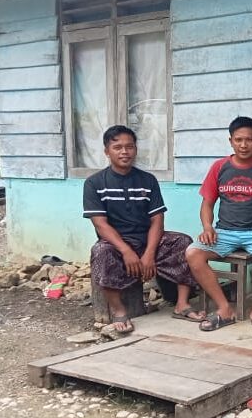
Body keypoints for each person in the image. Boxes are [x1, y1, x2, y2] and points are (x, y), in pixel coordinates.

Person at [83, 125, 201, 333]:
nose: (124, 152)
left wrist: (148, 254)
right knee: (100, 251)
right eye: (117, 147)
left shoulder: (148, 180)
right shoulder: (94, 183)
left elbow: (157, 219)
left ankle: (182, 304)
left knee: (183, 241)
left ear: (135, 150)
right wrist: (126, 251)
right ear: (106, 151)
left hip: (147, 241)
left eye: (129, 147)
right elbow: (100, 224)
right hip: (116, 243)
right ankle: (119, 310)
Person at [186, 116, 252, 332]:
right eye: (239, 140)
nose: (244, 145)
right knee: (193, 253)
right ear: (231, 141)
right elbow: (207, 204)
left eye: (249, 140)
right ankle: (224, 309)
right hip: (224, 232)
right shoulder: (219, 167)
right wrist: (208, 227)